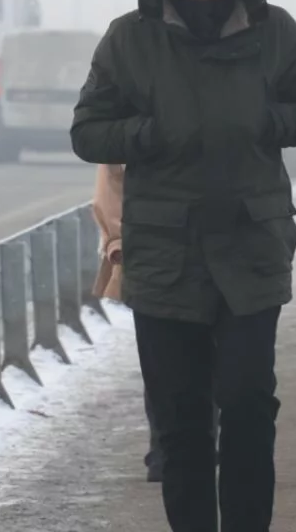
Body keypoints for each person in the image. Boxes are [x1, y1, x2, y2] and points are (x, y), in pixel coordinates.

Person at [71, 0, 296, 532]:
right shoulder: (129, 40)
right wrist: (150, 133)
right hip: (165, 253)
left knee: (248, 403)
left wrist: (265, 122)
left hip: (251, 248)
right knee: (180, 419)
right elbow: (87, 132)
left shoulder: (275, 33)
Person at [91, 163, 217, 484]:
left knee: (212, 357)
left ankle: (194, 447)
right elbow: (112, 178)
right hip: (154, 254)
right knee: (165, 363)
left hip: (219, 250)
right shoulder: (136, 130)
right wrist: (117, 241)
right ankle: (166, 450)